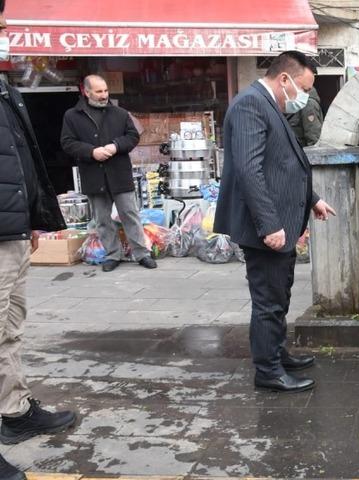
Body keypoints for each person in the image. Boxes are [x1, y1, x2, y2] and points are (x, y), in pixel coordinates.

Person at [214, 51, 336, 394]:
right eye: (304, 89)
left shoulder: (268, 103)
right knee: (268, 300)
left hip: (283, 220)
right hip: (265, 227)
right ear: (284, 79)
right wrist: (269, 225)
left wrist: (312, 199)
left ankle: (277, 353)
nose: (304, 97)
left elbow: (282, 164)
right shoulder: (250, 105)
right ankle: (268, 370)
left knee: (279, 294)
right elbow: (249, 169)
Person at [0, 2, 78, 478]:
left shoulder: (4, 89)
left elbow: (17, 159)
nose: (6, 28)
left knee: (10, 329)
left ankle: (14, 412)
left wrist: (30, 217)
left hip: (10, 231)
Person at [60, 75, 156, 273]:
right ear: (86, 92)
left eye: (105, 91)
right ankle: (113, 254)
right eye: (99, 91)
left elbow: (133, 136)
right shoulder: (72, 115)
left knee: (130, 214)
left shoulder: (120, 113)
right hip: (93, 175)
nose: (104, 95)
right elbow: (67, 143)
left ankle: (142, 254)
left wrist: (115, 146)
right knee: (102, 219)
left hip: (119, 173)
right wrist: (91, 152)